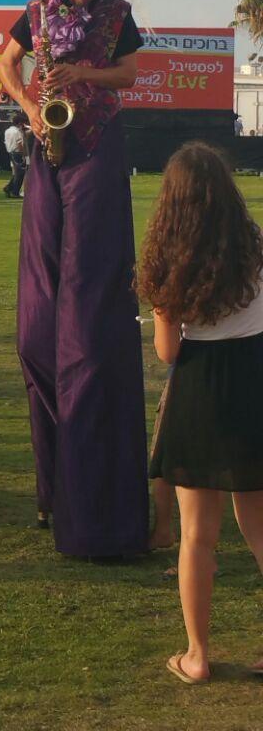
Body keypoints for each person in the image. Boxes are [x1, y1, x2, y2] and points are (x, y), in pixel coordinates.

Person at [0, 0, 149, 557]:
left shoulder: (120, 15)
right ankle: (50, 483)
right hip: (47, 151)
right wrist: (31, 109)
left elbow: (132, 75)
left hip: (96, 152)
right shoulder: (35, 11)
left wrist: (86, 74)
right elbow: (7, 66)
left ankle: (90, 491)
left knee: (85, 322)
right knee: (37, 325)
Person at [139, 142, 263, 684]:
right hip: (254, 384)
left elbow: (168, 352)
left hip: (200, 391)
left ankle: (197, 655)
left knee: (196, 535)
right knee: (259, 526)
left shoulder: (168, 260)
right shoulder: (255, 248)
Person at [3, 112, 28, 198]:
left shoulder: (7, 131)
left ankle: (9, 187)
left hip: (10, 152)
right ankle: (15, 191)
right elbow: (20, 145)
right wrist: (24, 155)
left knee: (16, 173)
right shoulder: (17, 132)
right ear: (19, 123)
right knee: (20, 173)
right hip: (17, 153)